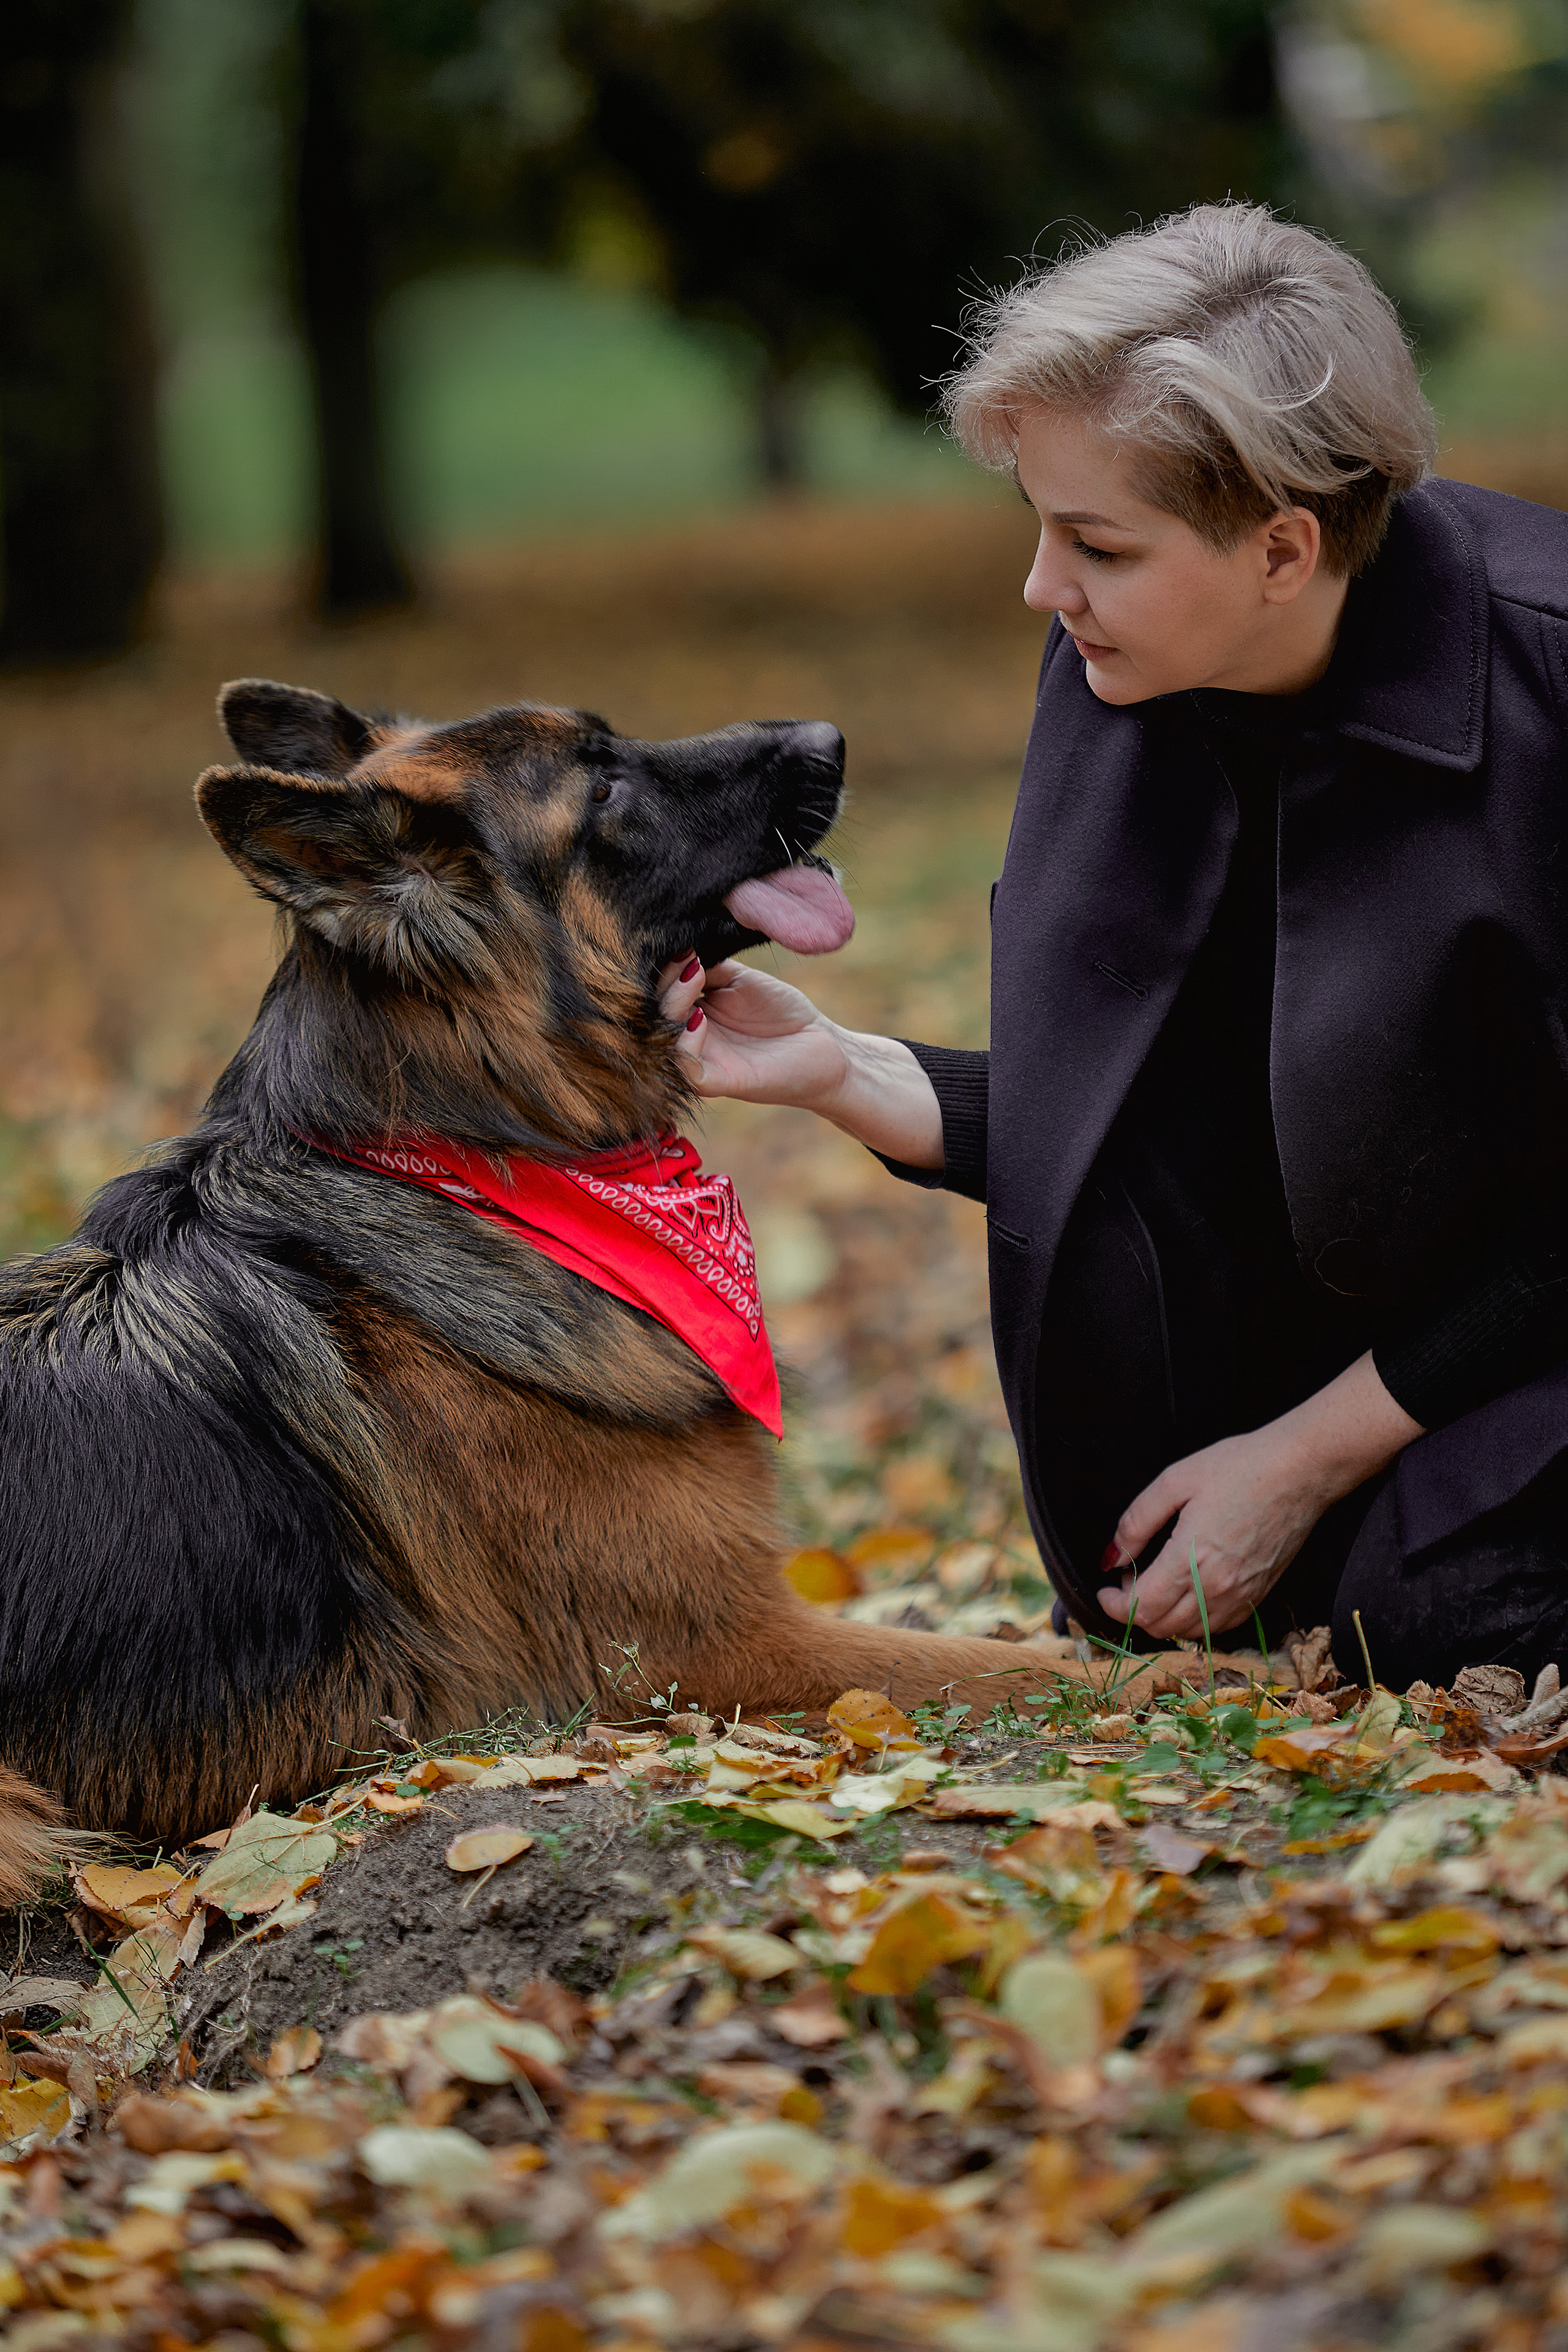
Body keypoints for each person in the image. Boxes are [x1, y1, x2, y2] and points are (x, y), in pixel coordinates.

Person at [657, 202, 1568, 1691]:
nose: (1041, 586)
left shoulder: (1545, 674)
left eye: (1095, 544)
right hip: (1393, 1343)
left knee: (1436, 1622)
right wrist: (850, 1072)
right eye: (1039, 524)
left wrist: (1298, 1457)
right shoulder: (1125, 664)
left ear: (1281, 547)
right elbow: (1199, 1116)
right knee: (1315, 1617)